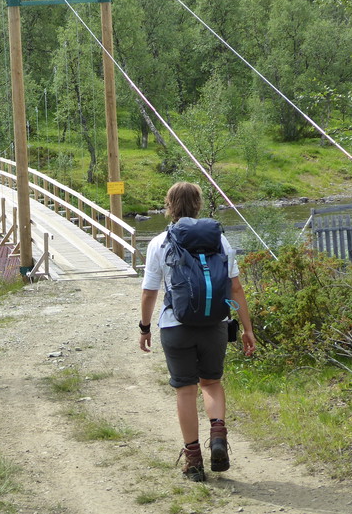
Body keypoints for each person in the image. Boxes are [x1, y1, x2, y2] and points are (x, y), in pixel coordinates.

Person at [138, 181, 256, 481]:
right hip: (215, 325)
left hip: (175, 327)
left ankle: (193, 461)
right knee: (212, 383)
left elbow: (150, 291)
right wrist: (247, 329)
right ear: (199, 205)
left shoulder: (159, 242)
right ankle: (218, 436)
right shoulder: (220, 240)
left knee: (186, 390)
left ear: (169, 205)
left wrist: (145, 326)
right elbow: (236, 288)